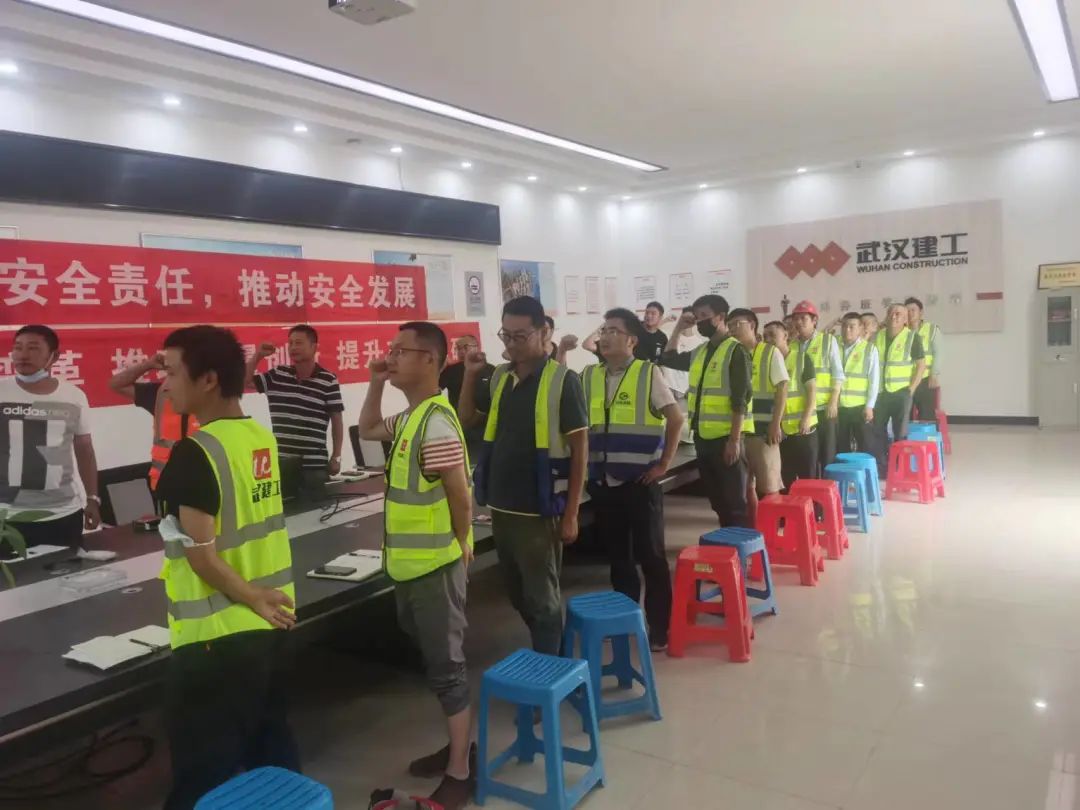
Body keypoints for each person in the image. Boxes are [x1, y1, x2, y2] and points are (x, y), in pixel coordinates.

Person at [155, 325, 298, 810]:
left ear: (209, 379)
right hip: (271, 621)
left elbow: (201, 555)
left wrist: (252, 596)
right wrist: (260, 599)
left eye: (172, 373)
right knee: (271, 752)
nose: (166, 385)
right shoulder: (258, 436)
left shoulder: (195, 453)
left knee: (201, 775)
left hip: (215, 638)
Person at [359, 322, 475, 810]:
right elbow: (367, 430)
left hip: (434, 567)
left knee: (447, 670)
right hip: (410, 567)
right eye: (391, 350)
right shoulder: (411, 417)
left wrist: (462, 543)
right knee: (433, 662)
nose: (391, 357)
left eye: (400, 351)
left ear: (429, 360)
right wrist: (375, 381)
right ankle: (456, 745)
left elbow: (460, 495)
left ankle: (461, 769)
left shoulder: (436, 423)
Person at [457, 296, 588, 656]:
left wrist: (572, 512)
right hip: (502, 506)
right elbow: (467, 418)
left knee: (542, 598)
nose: (511, 344)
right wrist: (469, 374)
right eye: (506, 335)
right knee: (516, 593)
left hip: (539, 510)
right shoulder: (501, 377)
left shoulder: (563, 381)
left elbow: (580, 450)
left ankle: (552, 669)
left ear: (544, 332)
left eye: (520, 336)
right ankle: (552, 652)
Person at [581, 308, 683, 651]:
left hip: (640, 483)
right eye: (604, 330)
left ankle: (660, 628)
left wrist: (664, 464)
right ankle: (626, 623)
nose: (605, 336)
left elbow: (675, 418)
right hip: (603, 482)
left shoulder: (646, 373)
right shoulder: (589, 375)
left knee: (651, 557)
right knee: (619, 559)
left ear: (632, 340)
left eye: (614, 330)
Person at [0, 325, 100, 550]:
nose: (23, 355)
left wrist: (93, 498)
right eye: (17, 348)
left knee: (65, 570)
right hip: (7, 515)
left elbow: (85, 450)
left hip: (62, 513)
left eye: (33, 348)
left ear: (54, 356)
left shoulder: (73, 396)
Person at [661, 295, 752, 527]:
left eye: (704, 316)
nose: (699, 321)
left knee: (734, 502)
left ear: (720, 317)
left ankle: (739, 544)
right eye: (697, 316)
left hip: (725, 439)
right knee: (718, 501)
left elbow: (740, 400)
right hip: (702, 438)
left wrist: (734, 441)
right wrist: (679, 328)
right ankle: (725, 542)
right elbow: (668, 358)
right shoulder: (701, 351)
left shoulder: (736, 351)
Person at [245, 325, 344, 502]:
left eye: (299, 343)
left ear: (314, 347)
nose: (293, 348)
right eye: (290, 343)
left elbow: (337, 420)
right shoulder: (278, 375)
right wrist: (258, 356)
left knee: (316, 514)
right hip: (282, 464)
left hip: (314, 466)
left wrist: (336, 456)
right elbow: (244, 382)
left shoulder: (328, 380)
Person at [108, 351, 200, 496]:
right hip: (167, 487)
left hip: (203, 485)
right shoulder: (159, 395)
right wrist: (147, 365)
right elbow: (116, 384)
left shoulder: (213, 399)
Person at [729, 310, 786, 499]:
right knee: (746, 488)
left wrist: (775, 424)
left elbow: (782, 389)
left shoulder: (770, 352)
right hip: (739, 432)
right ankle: (752, 519)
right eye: (730, 325)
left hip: (763, 432)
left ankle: (772, 518)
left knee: (769, 486)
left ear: (752, 325)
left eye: (737, 324)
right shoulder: (731, 354)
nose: (732, 329)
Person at [789, 301, 844, 471]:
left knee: (827, 453)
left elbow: (838, 373)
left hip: (824, 407)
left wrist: (833, 401)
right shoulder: (791, 346)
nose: (799, 322)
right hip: (803, 410)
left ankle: (827, 485)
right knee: (809, 457)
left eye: (803, 318)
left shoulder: (827, 341)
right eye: (796, 319)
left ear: (814, 321)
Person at [873, 304, 927, 472]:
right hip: (881, 393)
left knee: (900, 433)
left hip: (901, 393)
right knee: (877, 431)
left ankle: (900, 468)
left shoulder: (912, 337)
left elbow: (921, 365)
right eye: (891, 312)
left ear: (905, 319)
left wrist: (911, 389)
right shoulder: (878, 336)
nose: (894, 316)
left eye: (898, 314)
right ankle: (882, 467)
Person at [766, 321, 818, 488]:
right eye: (765, 336)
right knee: (785, 478)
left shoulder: (801, 358)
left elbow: (812, 392)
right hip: (781, 432)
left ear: (785, 336)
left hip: (803, 429)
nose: (768, 340)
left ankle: (811, 506)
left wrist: (806, 418)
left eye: (772, 335)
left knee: (807, 478)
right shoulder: (767, 363)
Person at [439, 334, 494, 458]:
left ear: (477, 347)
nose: (461, 351)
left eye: (465, 347)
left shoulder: (491, 370)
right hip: (460, 427)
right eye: (458, 348)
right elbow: (434, 389)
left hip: (485, 428)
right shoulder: (451, 371)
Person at [837, 312, 880, 455]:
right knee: (841, 446)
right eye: (844, 326)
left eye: (852, 326)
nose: (847, 330)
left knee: (865, 445)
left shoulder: (869, 349)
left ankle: (864, 469)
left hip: (860, 407)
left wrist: (869, 406)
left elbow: (874, 380)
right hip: (839, 406)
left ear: (861, 328)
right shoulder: (835, 346)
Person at [582, 300, 672, 364]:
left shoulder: (662, 337)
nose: (648, 316)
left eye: (653, 313)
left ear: (660, 317)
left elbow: (662, 360)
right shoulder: (633, 330)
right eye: (647, 313)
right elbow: (588, 345)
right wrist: (602, 328)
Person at [904, 297, 943, 420]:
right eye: (907, 311)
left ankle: (927, 433)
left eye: (913, 310)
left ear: (921, 312)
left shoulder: (931, 329)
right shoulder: (901, 331)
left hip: (925, 379)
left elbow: (938, 353)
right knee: (905, 415)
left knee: (926, 415)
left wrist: (934, 374)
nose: (910, 313)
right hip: (905, 380)